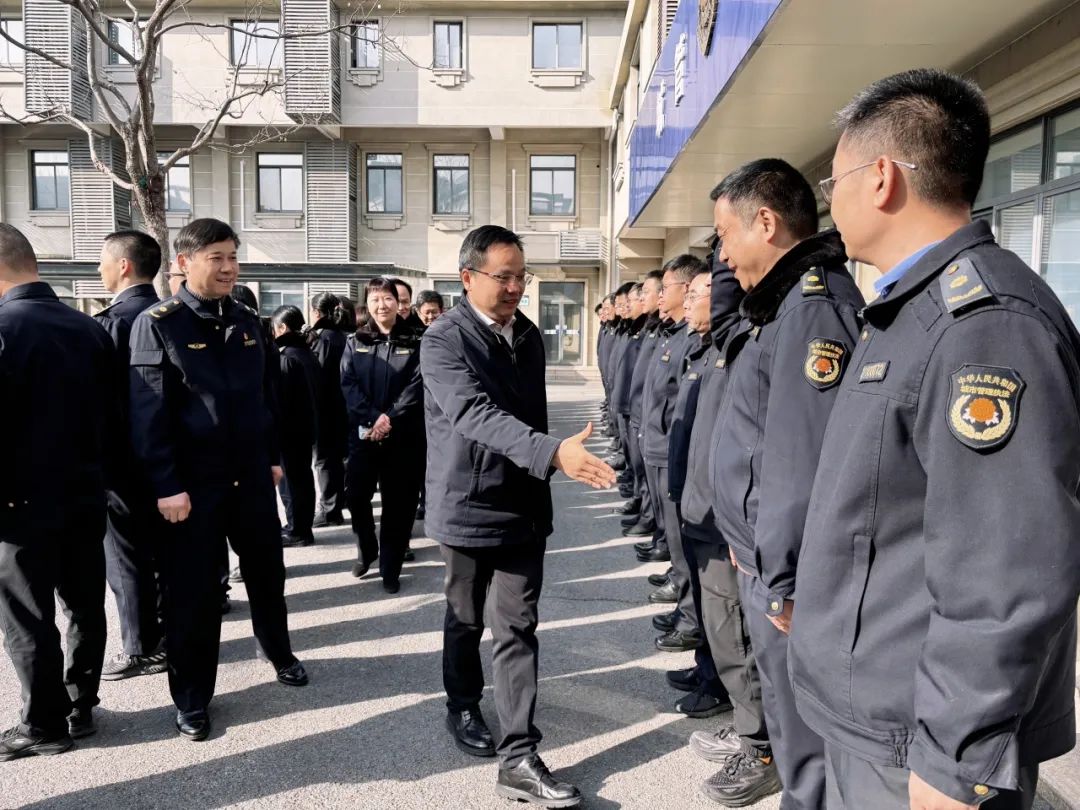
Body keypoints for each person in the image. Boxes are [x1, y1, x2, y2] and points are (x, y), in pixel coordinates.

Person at [790, 68, 1080, 810]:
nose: (830, 201)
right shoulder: (909, 311)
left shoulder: (985, 324)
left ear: (881, 178)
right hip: (876, 715)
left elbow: (1006, 570)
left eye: (834, 181)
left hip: (917, 743)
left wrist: (957, 758)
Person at [421, 225, 615, 808]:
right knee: (465, 618)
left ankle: (518, 759)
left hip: (523, 507)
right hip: (467, 504)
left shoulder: (527, 334)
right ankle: (462, 702)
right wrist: (553, 453)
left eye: (521, 277)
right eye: (503, 277)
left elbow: (528, 415)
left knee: (516, 628)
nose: (514, 288)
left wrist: (545, 460)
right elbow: (473, 414)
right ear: (468, 277)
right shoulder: (443, 341)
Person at [707, 158, 864, 808]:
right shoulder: (782, 306)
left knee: (808, 742)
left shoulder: (812, 310)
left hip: (787, 576)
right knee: (786, 716)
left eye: (725, 235)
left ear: (765, 223)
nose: (721, 255)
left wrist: (784, 580)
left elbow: (803, 463)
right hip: (764, 560)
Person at [129, 218, 307, 743]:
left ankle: (278, 651)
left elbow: (265, 397)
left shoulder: (248, 320)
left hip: (249, 477)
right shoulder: (158, 324)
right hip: (192, 487)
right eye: (217, 257)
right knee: (194, 594)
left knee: (267, 575)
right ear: (184, 262)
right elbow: (148, 411)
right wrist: (166, 485)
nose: (229, 267)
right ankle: (191, 697)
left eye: (233, 256)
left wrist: (271, 457)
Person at [0, 224, 113, 758]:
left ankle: (44, 724)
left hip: (20, 500)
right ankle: (80, 704)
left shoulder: (4, 327)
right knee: (84, 603)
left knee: (28, 615)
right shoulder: (90, 328)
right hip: (86, 491)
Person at [94, 230, 168, 683]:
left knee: (125, 556)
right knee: (163, 552)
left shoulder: (114, 322)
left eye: (103, 261)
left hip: (122, 462)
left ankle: (142, 647)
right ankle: (167, 633)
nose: (98, 269)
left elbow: (103, 402)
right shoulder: (170, 314)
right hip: (170, 460)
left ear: (123, 265)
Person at [640, 257, 710, 663]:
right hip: (658, 447)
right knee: (677, 544)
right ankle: (686, 612)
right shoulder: (673, 335)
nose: (665, 295)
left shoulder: (690, 338)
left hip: (672, 454)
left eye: (667, 287)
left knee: (684, 548)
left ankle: (691, 620)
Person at [341, 277, 425, 593]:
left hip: (403, 438)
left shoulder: (417, 341)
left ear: (398, 303)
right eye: (375, 299)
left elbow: (417, 386)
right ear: (367, 304)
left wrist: (389, 418)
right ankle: (366, 549)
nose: (382, 305)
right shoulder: (356, 341)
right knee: (356, 496)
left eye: (388, 298)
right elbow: (348, 384)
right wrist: (374, 418)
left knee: (399, 506)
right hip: (363, 436)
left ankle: (391, 568)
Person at [272, 305, 320, 548]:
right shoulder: (307, 352)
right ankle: (302, 527)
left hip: (289, 430)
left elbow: (282, 400)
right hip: (306, 427)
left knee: (290, 483)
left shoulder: (286, 357)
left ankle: (296, 529)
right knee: (303, 479)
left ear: (282, 328)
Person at [308, 292, 349, 528]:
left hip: (325, 408)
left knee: (324, 460)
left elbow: (319, 376)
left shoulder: (323, 339)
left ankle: (329, 509)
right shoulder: (341, 336)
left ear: (316, 312)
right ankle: (336, 503)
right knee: (335, 458)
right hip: (342, 406)